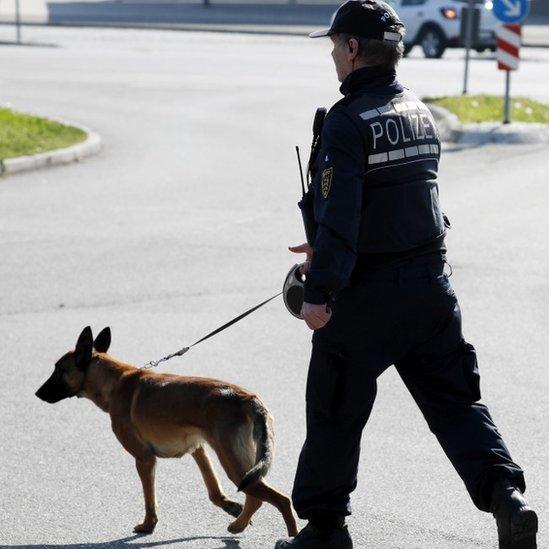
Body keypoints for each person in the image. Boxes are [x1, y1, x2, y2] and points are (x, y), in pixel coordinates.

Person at [275, 1, 538, 548]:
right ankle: (506, 500)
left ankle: (325, 531)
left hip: (365, 299)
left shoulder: (348, 121)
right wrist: (326, 242)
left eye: (334, 47)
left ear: (353, 49)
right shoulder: (418, 111)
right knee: (457, 404)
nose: (332, 58)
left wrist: (318, 293)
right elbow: (405, 202)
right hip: (431, 291)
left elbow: (345, 219)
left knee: (335, 411)